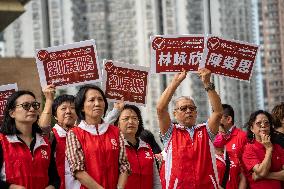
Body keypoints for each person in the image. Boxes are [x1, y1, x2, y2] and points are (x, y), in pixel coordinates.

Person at [157, 68, 223, 189]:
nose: (188, 111)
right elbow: (161, 109)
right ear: (175, 114)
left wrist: (207, 83)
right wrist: (175, 82)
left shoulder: (205, 131)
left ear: (196, 113)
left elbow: (218, 112)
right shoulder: (170, 132)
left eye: (192, 108)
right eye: (183, 108)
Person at [65, 84, 130, 189]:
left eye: (100, 99)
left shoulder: (116, 132)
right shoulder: (74, 133)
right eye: (91, 100)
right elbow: (78, 170)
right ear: (82, 107)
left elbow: (124, 165)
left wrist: (120, 187)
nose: (97, 103)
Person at [0, 90, 60, 189]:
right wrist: (10, 187)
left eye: (35, 105)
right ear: (12, 113)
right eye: (26, 105)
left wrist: (52, 187)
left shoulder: (45, 141)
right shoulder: (2, 141)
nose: (32, 109)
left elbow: (55, 178)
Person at [39, 84, 77, 189]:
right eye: (63, 108)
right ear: (55, 115)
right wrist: (49, 100)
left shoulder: (83, 134)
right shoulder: (52, 136)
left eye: (73, 108)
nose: (68, 111)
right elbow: (42, 129)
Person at [114, 104, 161, 189]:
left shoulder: (147, 147)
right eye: (126, 118)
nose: (131, 121)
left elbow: (156, 180)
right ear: (117, 123)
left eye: (134, 118)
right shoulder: (114, 147)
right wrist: (115, 111)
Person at [242, 110, 284, 189]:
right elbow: (261, 172)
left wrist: (266, 175)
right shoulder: (248, 149)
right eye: (258, 123)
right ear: (252, 128)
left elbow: (261, 175)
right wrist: (269, 150)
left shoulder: (278, 148)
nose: (263, 125)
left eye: (266, 123)